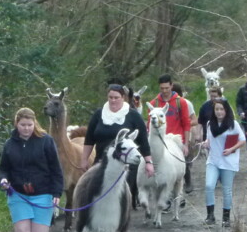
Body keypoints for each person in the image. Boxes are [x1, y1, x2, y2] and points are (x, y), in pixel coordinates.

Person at [0, 108, 64, 232]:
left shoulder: (46, 142)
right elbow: (3, 168)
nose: (26, 129)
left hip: (42, 194)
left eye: (29, 125)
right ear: (16, 124)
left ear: (35, 124)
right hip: (18, 195)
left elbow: (56, 170)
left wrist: (57, 193)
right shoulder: (10, 144)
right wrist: (3, 180)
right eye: (22, 125)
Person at [79, 83, 154, 212]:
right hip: (102, 163)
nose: (113, 100)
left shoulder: (133, 116)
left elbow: (143, 141)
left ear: (123, 98)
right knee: (99, 195)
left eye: (116, 97)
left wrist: (148, 162)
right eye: (110, 97)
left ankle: (119, 229)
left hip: (126, 165)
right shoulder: (98, 115)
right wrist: (84, 159)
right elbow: (89, 139)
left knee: (120, 198)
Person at [147, 75, 192, 210]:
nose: (165, 91)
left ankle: (180, 193)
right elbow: (149, 124)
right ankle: (164, 199)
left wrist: (186, 144)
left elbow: (186, 123)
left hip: (176, 140)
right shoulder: (154, 103)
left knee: (179, 168)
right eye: (162, 88)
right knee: (161, 168)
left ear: (172, 86)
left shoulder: (181, 102)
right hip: (160, 140)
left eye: (167, 88)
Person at [201, 99, 246, 227]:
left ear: (226, 110)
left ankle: (226, 218)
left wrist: (232, 149)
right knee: (209, 186)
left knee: (227, 190)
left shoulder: (233, 124)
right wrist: (205, 144)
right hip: (213, 160)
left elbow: (242, 140)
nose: (219, 112)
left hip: (228, 161)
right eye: (217, 109)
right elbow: (209, 140)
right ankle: (210, 216)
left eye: (221, 109)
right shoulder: (210, 124)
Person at [171, 82, 196, 193]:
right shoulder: (164, 103)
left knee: (184, 159)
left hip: (183, 136)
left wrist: (185, 124)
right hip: (170, 136)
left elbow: (195, 120)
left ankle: (188, 181)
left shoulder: (186, 103)